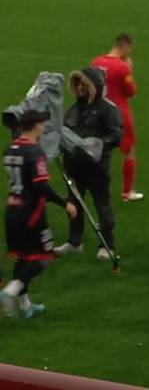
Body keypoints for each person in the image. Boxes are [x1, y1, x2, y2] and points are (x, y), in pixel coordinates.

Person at [2, 110, 77, 318]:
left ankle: (25, 306)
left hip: (12, 211)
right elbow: (40, 186)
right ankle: (9, 293)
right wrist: (65, 203)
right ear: (36, 126)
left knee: (22, 258)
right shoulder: (34, 152)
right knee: (43, 257)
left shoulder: (10, 149)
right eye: (42, 123)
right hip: (31, 213)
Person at [54, 68, 123, 259]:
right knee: (74, 203)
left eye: (83, 84)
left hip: (96, 168)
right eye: (77, 83)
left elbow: (117, 134)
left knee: (102, 205)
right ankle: (74, 241)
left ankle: (107, 244)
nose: (79, 87)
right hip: (73, 166)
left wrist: (98, 144)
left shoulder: (108, 109)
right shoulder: (73, 109)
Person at [91, 35, 141, 202]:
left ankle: (93, 186)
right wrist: (129, 70)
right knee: (129, 150)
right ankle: (127, 192)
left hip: (98, 113)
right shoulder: (122, 67)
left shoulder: (96, 62)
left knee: (99, 150)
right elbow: (131, 92)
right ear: (126, 47)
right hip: (119, 114)